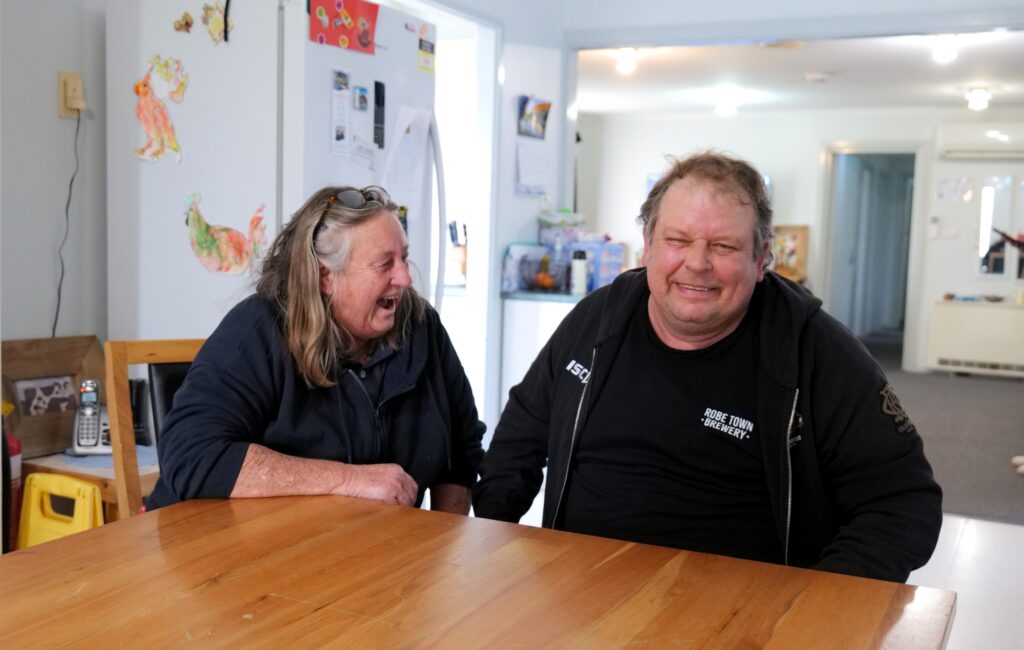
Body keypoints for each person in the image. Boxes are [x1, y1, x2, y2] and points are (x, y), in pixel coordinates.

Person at [472, 151, 942, 582]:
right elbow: (521, 436)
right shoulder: (597, 320)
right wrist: (490, 541)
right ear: (648, 245)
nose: (696, 263)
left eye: (723, 246)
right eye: (677, 240)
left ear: (762, 257)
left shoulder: (817, 350)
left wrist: (814, 605)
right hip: (580, 595)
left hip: (741, 615)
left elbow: (903, 504)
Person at [148, 186, 484, 513]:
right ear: (325, 276)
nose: (405, 278)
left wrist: (441, 539)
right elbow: (190, 455)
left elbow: (462, 446)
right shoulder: (257, 330)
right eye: (385, 264)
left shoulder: (422, 327)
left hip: (355, 543)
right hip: (216, 542)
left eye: (404, 258)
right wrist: (349, 480)